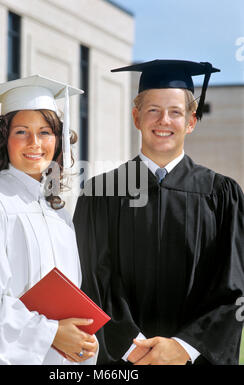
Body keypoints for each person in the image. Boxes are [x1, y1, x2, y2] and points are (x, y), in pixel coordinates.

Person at [73, 60, 244, 365]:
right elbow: (90, 279)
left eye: (176, 112)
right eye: (153, 110)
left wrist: (184, 347)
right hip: (121, 362)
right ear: (136, 117)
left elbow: (233, 287)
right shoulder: (100, 193)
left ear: (191, 121)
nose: (163, 120)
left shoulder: (222, 195)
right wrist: (129, 345)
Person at [0, 75, 98, 365]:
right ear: (5, 139)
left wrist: (82, 340)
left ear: (58, 139)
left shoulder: (60, 216)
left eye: (45, 132)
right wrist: (51, 333)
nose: (35, 143)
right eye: (21, 132)